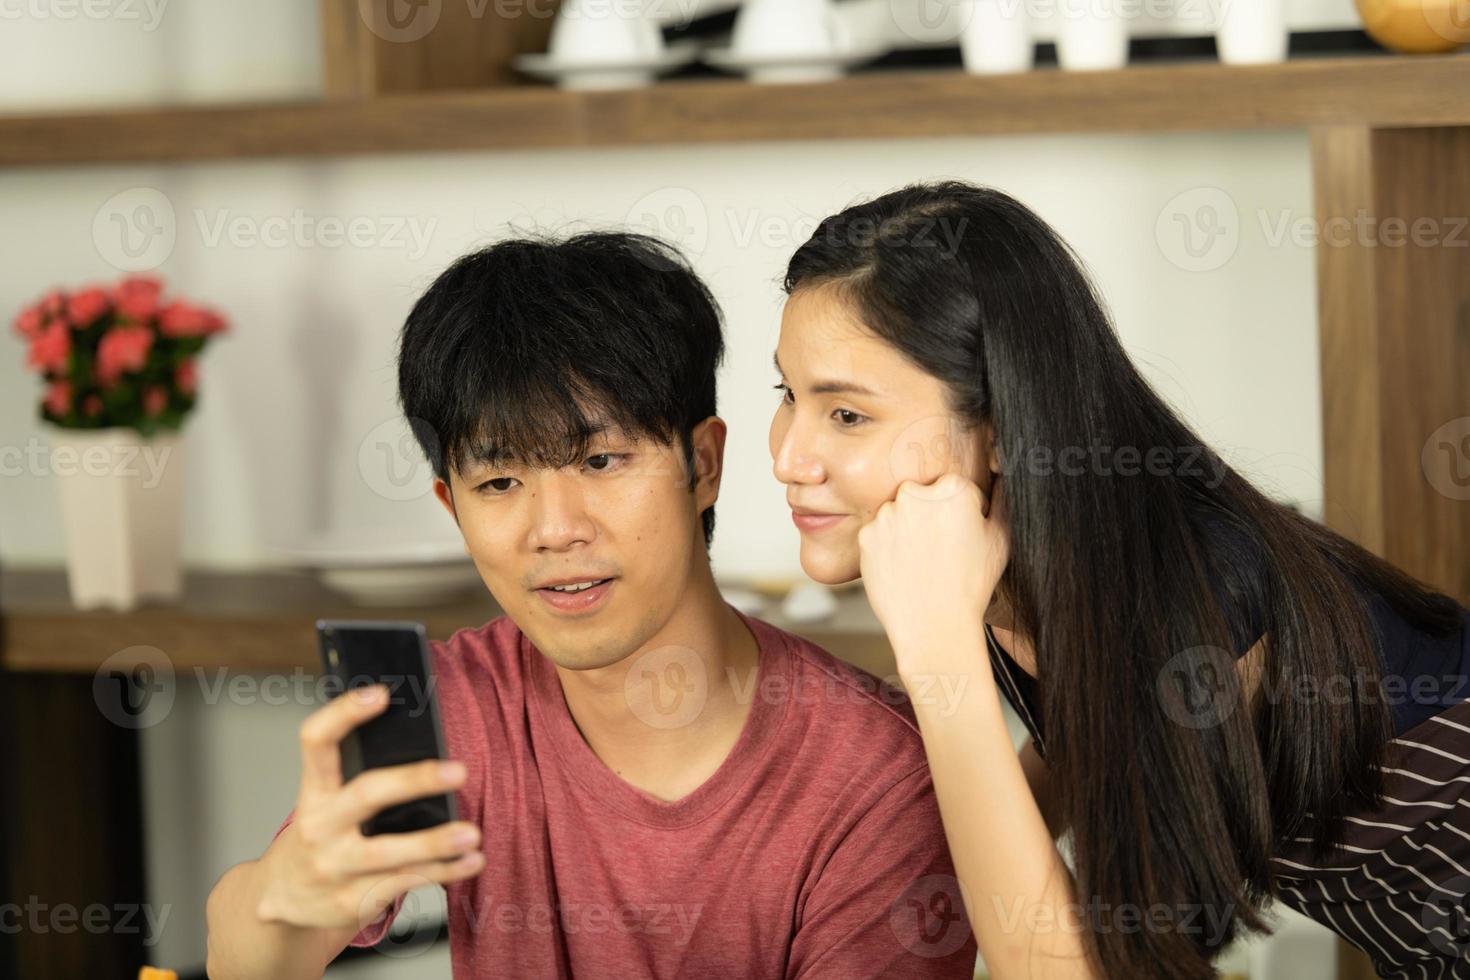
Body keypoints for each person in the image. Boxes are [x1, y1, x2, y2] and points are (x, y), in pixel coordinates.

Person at [203, 231, 978, 979]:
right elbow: (241, 959)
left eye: (602, 460)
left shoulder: (878, 775)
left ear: (702, 464)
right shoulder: (452, 707)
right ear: (452, 505)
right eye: (500, 483)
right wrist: (288, 901)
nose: (555, 531)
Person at [768, 180, 1470, 979]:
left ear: (1000, 430)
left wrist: (937, 656)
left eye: (848, 415)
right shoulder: (1039, 571)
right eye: (786, 394)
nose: (790, 456)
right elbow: (1039, 791)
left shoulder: (1183, 597)